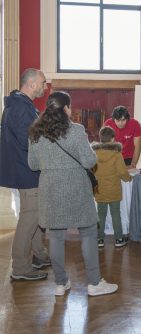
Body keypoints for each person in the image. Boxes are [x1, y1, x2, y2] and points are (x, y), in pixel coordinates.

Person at [28, 91, 118, 297]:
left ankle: (61, 283)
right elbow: (88, 161)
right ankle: (94, 283)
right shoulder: (76, 130)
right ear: (66, 108)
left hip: (50, 188)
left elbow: (32, 164)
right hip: (76, 187)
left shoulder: (35, 132)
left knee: (55, 237)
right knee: (88, 232)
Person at [0, 68, 50, 281]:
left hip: (25, 169)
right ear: (31, 84)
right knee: (29, 218)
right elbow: (30, 142)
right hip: (27, 170)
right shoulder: (22, 108)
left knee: (35, 215)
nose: (45, 87)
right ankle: (20, 267)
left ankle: (39, 255)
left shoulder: (20, 106)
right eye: (43, 82)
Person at [92, 126, 132, 248]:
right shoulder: (116, 154)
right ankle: (119, 239)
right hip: (114, 190)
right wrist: (128, 178)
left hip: (99, 189)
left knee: (100, 214)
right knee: (116, 213)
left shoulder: (94, 153)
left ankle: (99, 239)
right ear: (113, 139)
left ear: (100, 138)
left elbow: (91, 170)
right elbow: (122, 172)